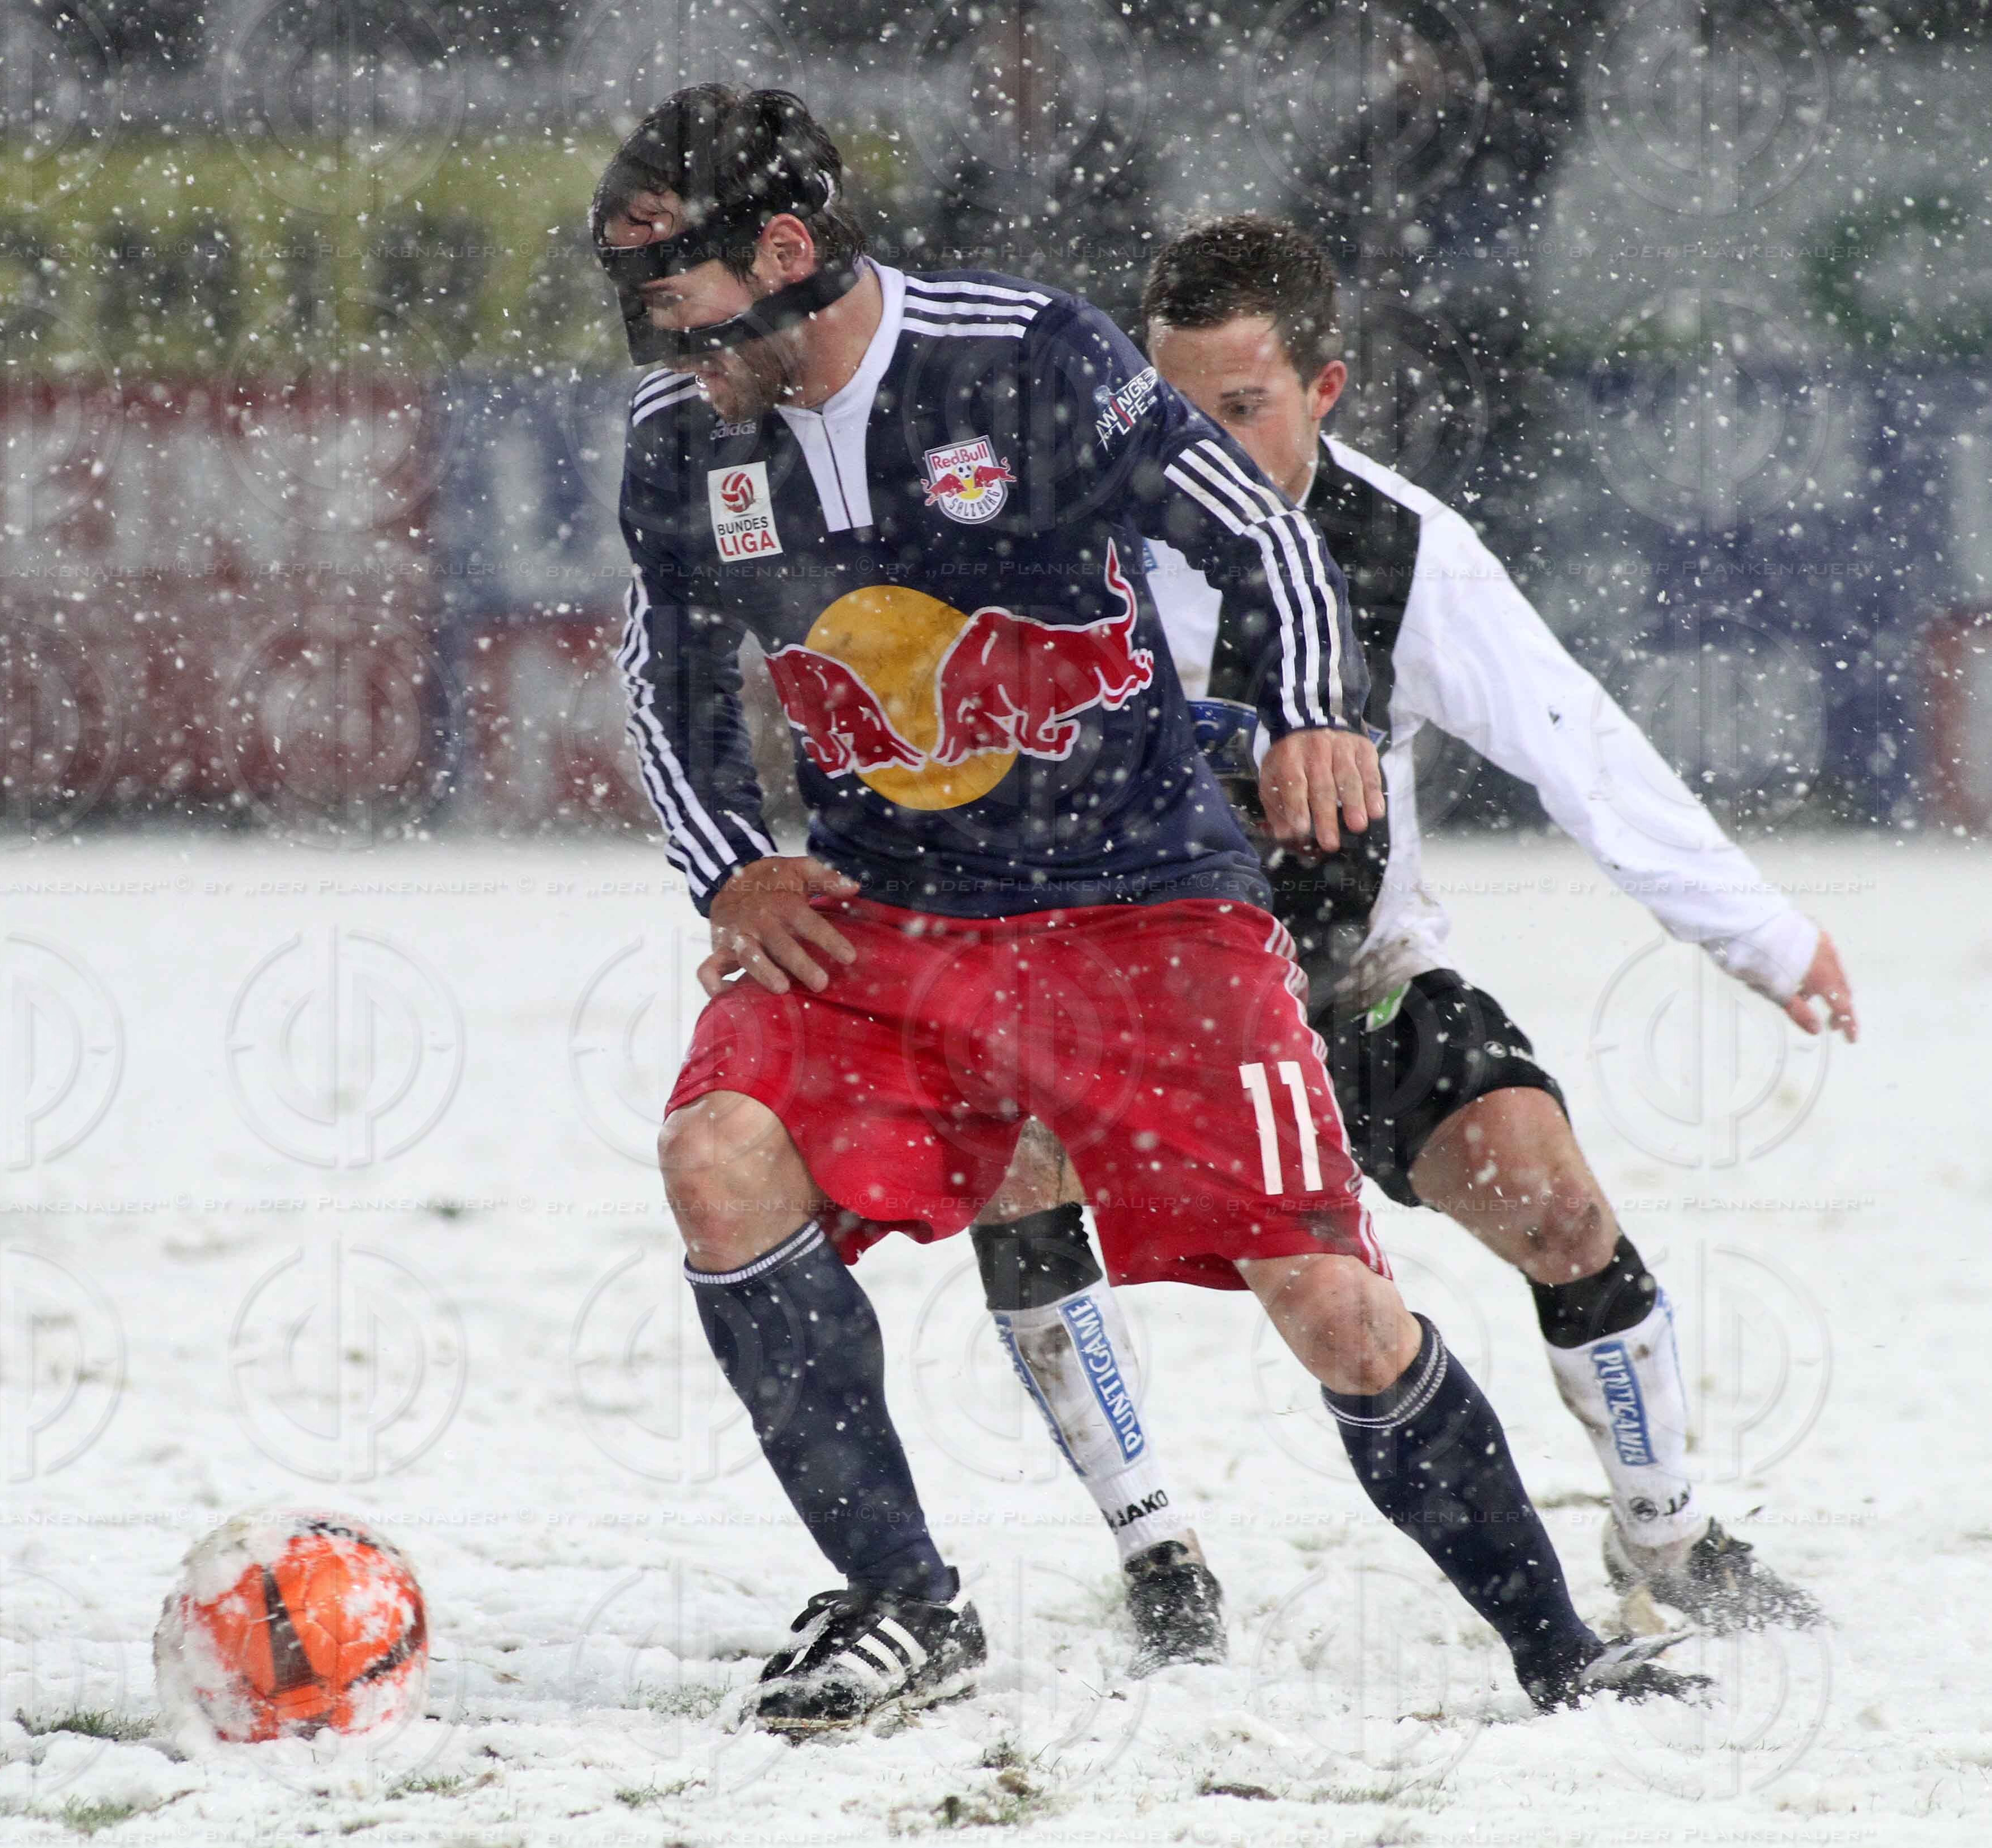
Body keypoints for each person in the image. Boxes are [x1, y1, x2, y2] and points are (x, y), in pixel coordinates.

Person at [601, 87, 1696, 1731]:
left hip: (1139, 908)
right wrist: (728, 867)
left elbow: (1258, 526)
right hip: (885, 919)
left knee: (1331, 1305)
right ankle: (903, 1602)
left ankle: (1564, 1648)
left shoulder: (1019, 357)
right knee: (713, 1160)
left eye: (669, 291)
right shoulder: (682, 441)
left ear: (782, 253)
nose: (650, 335)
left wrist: (1318, 703)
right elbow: (662, 673)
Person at [965, 215, 1858, 1664]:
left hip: (1351, 983)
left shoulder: (1404, 549)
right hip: (1124, 996)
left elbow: (1580, 743)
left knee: (1558, 1206)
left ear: (1324, 391)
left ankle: (1669, 1533)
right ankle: (1155, 1547)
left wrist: (1756, 930)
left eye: (1238, 411)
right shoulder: (1067, 542)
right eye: (1168, 407)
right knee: (1013, 1157)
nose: (1195, 445)